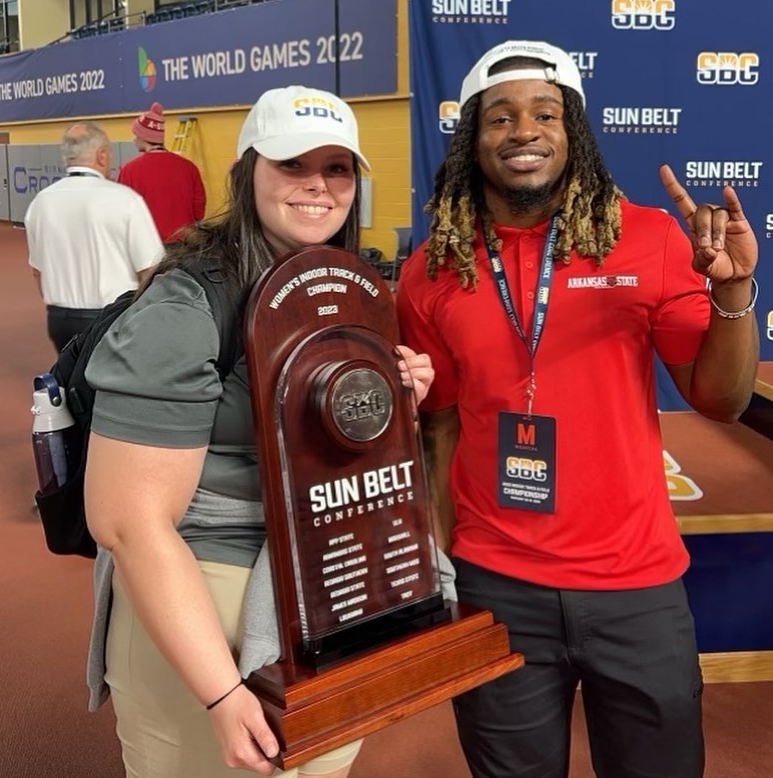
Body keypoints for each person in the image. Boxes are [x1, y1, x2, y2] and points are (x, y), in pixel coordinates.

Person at [396, 40, 759, 778]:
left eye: (544, 113)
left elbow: (721, 400)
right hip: (495, 585)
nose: (523, 130)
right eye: (499, 117)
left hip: (638, 585)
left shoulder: (653, 238)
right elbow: (436, 427)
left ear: (575, 132)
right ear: (472, 137)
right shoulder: (433, 266)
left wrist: (730, 297)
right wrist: (440, 568)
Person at [83, 85, 435, 778]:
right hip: (209, 587)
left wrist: (390, 402)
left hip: (330, 573)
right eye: (292, 164)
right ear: (248, 174)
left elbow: (326, 443)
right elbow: (128, 523)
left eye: (337, 168)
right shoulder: (188, 302)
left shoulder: (347, 289)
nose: (318, 186)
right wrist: (218, 691)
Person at [24, 121, 164, 352]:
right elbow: (150, 269)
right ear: (101, 156)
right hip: (111, 318)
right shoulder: (125, 200)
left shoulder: (41, 202)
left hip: (59, 318)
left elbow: (37, 271)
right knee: (110, 385)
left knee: (68, 381)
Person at [117, 101, 206, 242]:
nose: (134, 139)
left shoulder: (128, 170)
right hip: (184, 246)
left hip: (147, 245)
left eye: (135, 134)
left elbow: (122, 213)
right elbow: (199, 210)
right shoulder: (189, 168)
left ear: (144, 136)